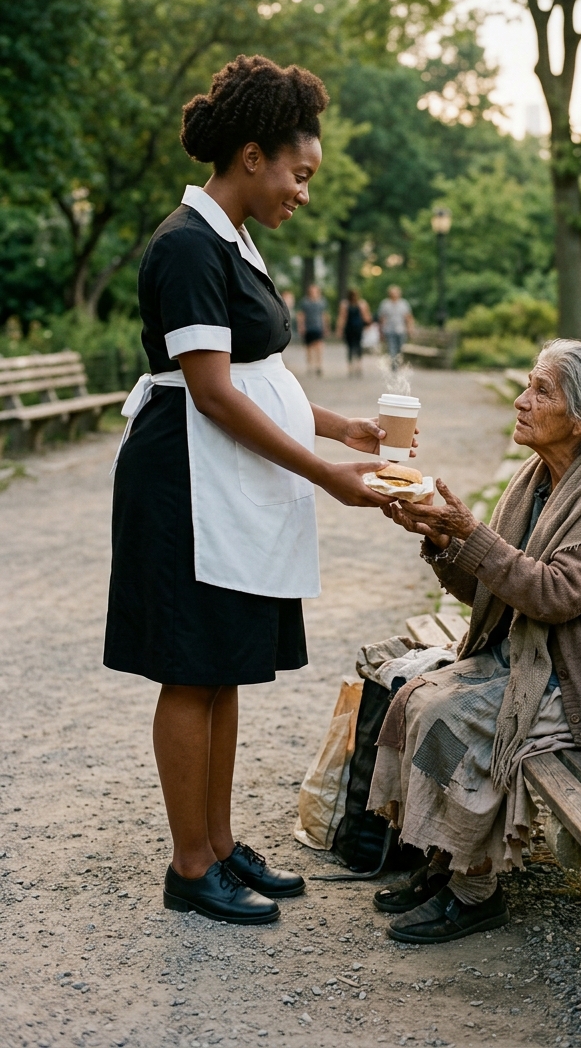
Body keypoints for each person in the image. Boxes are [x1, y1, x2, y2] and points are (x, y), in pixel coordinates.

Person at [104, 54, 395, 926]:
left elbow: (258, 371)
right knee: (190, 672)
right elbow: (214, 390)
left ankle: (221, 846)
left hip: (223, 482)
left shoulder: (230, 237)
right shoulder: (189, 245)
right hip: (184, 484)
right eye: (300, 174)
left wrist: (339, 426)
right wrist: (327, 475)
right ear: (254, 154)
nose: (303, 192)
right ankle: (190, 866)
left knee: (223, 668)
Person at [367, 340, 581, 943]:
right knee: (417, 696)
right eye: (528, 384)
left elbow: (553, 596)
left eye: (541, 391)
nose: (520, 400)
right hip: (532, 653)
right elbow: (487, 585)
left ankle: (475, 892)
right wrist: (443, 538)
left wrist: (470, 533)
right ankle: (447, 857)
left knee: (454, 716)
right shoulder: (537, 477)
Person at [336, 287, 372, 377]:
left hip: (355, 328)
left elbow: (366, 316)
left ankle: (355, 366)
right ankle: (354, 366)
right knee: (353, 347)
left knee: (354, 347)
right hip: (352, 328)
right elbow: (342, 317)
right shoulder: (347, 304)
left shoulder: (360, 304)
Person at [297, 282, 329, 375]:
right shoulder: (305, 302)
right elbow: (301, 315)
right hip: (308, 327)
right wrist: (301, 326)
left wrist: (325, 326)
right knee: (309, 348)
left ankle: (318, 366)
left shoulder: (322, 302)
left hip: (318, 327)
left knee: (319, 347)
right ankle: (310, 365)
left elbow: (324, 315)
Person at [378, 285, 413, 366]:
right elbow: (382, 318)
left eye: (396, 293)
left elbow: (408, 317)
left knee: (400, 349)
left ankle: (397, 364)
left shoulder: (404, 303)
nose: (394, 295)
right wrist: (381, 331)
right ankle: (394, 367)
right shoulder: (385, 304)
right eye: (392, 293)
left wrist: (410, 328)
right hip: (389, 330)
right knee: (391, 349)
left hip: (401, 330)